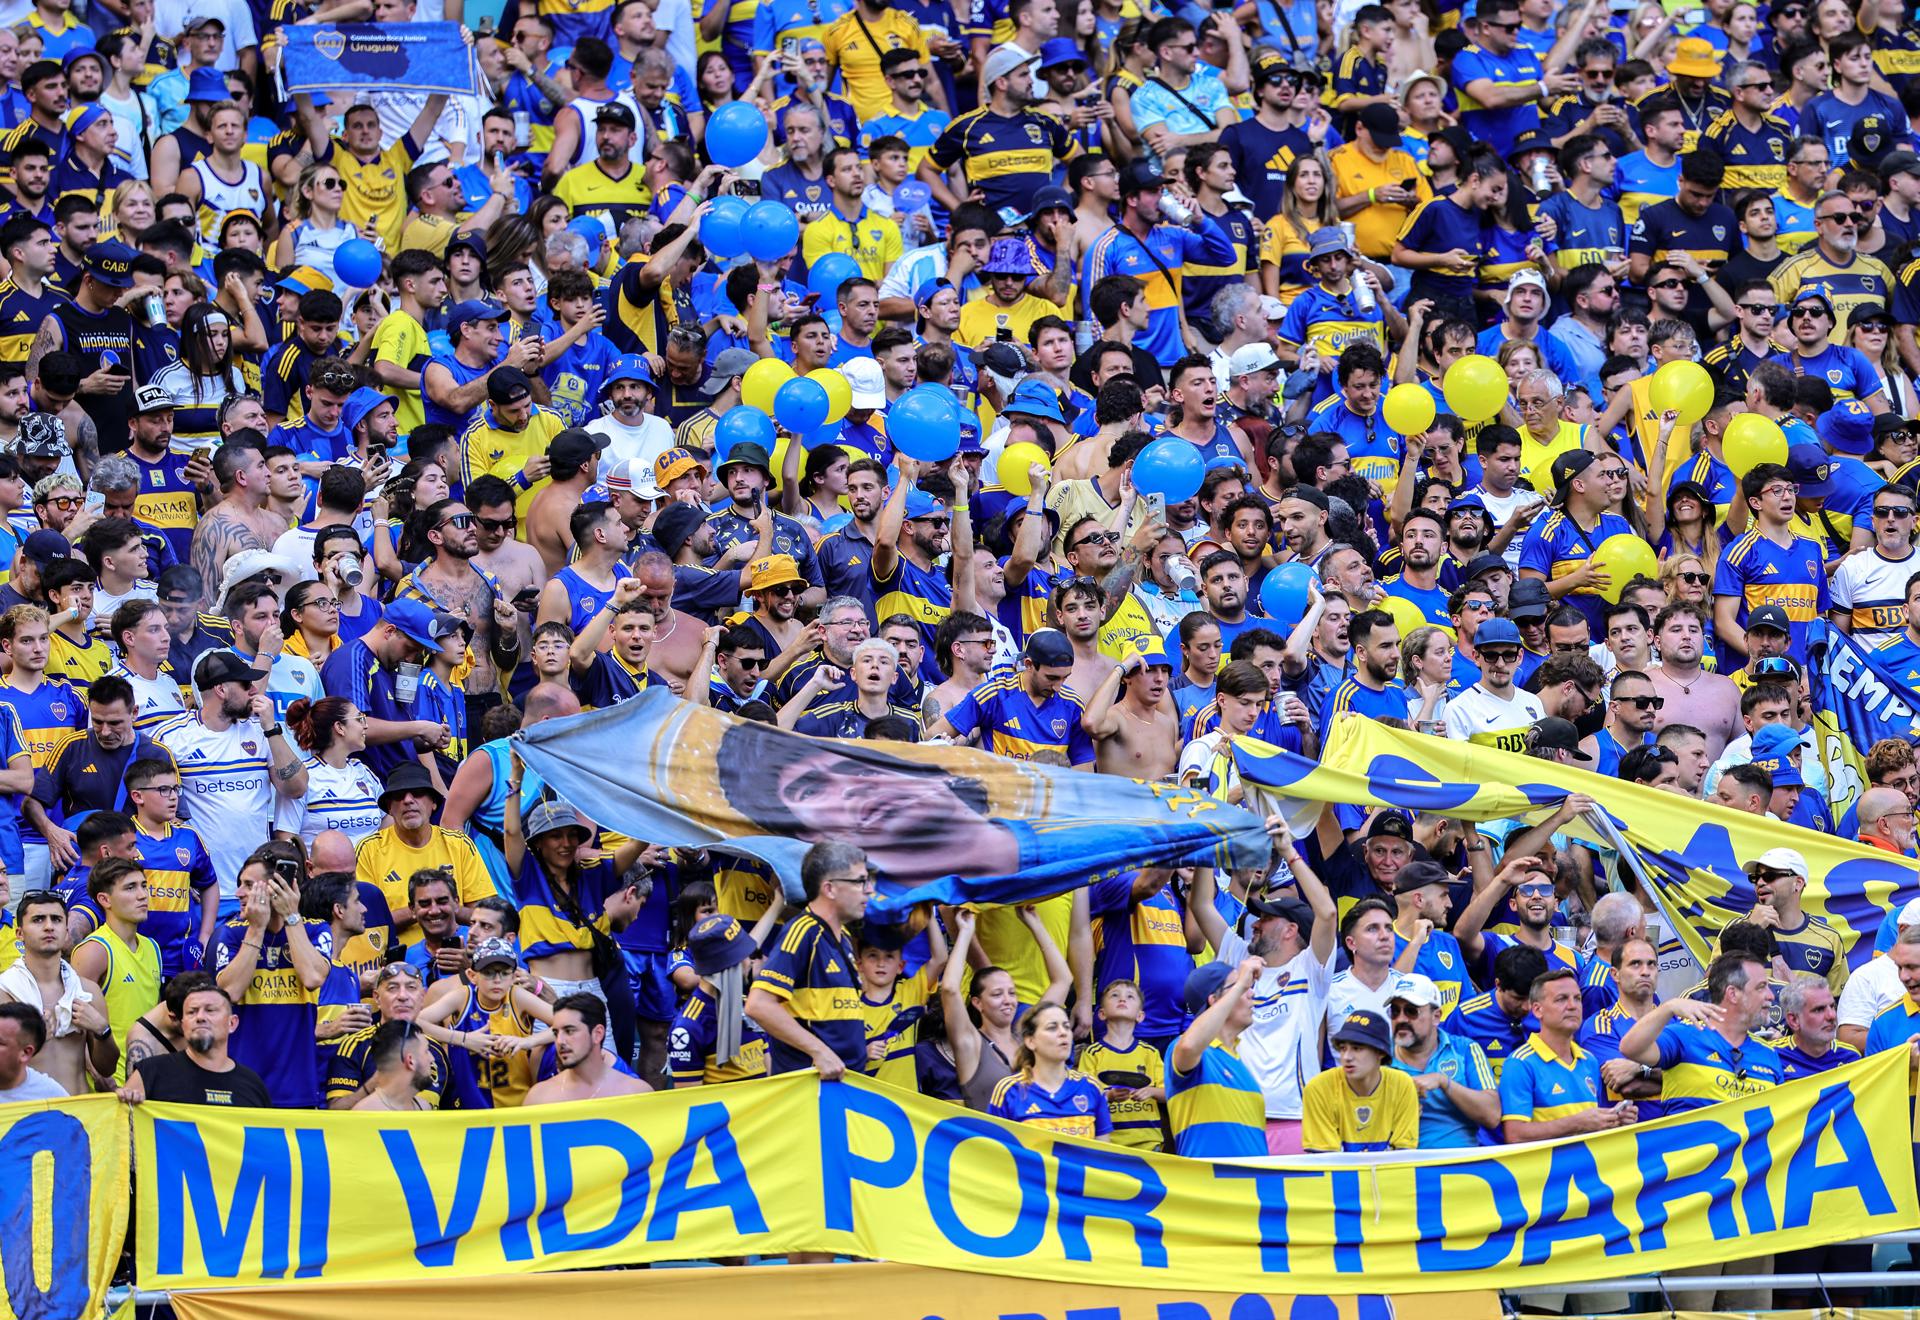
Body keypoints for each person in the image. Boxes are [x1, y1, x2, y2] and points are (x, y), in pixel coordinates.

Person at [117, 979, 271, 1106]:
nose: (200, 1017)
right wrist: (126, 1102)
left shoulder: (252, 1086)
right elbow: (122, 1126)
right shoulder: (150, 1074)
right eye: (192, 1012)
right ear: (183, 1024)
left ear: (232, 1023)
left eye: (210, 1010)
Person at [1301, 1007, 1420, 1152]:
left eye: (1357, 1048)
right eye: (1343, 1048)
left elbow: (1404, 1155)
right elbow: (1325, 1159)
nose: (1346, 1057)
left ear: (1380, 1052)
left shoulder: (1402, 1085)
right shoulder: (1319, 1089)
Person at [524, 993, 653, 1104]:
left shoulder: (636, 1093)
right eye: (556, 1033)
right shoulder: (539, 1097)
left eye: (569, 1031)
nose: (559, 1041)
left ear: (598, 1034)